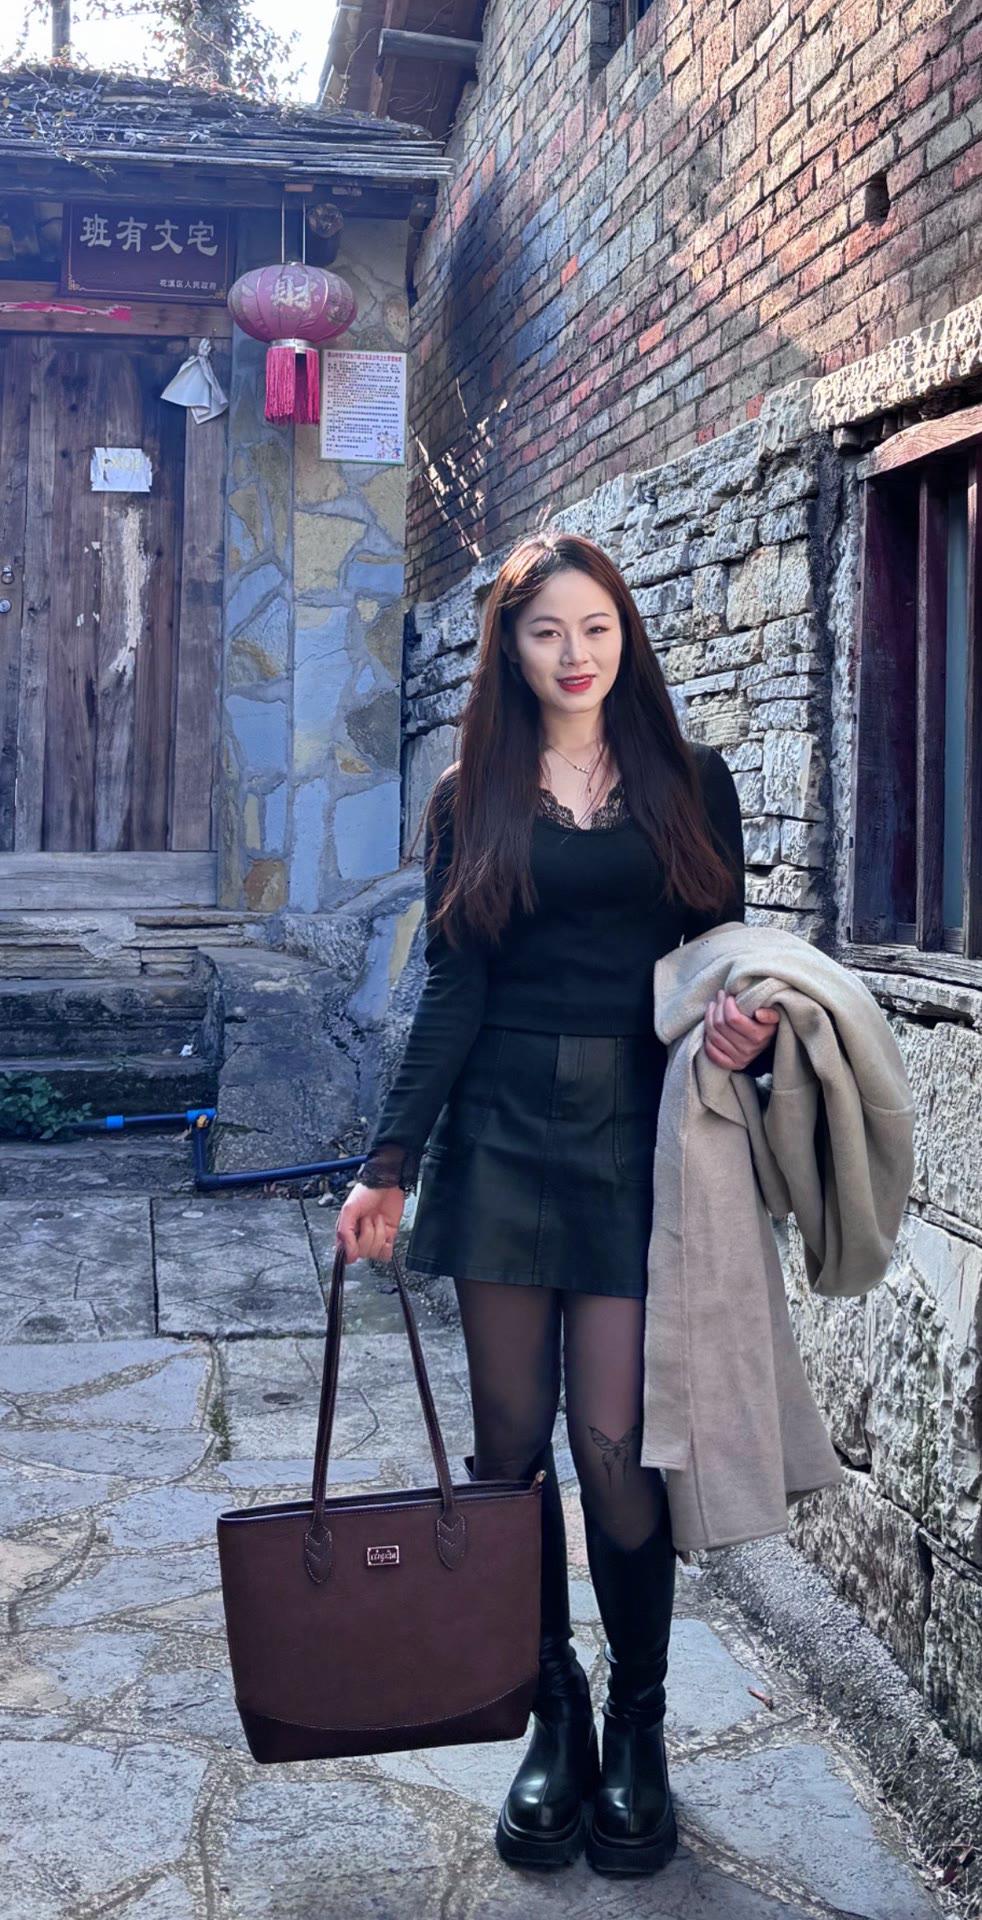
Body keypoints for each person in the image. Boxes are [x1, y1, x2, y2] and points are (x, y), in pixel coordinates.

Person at [335, 531, 779, 1878]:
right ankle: (554, 1708)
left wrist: (744, 1035)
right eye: (545, 633)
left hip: (639, 1141)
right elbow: (453, 987)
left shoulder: (690, 781)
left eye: (594, 628)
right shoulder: (468, 794)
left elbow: (722, 958)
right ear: (511, 651)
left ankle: (639, 1719)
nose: (574, 654)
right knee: (510, 1448)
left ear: (623, 636)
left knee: (615, 1443)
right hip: (502, 1138)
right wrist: (388, 1160)